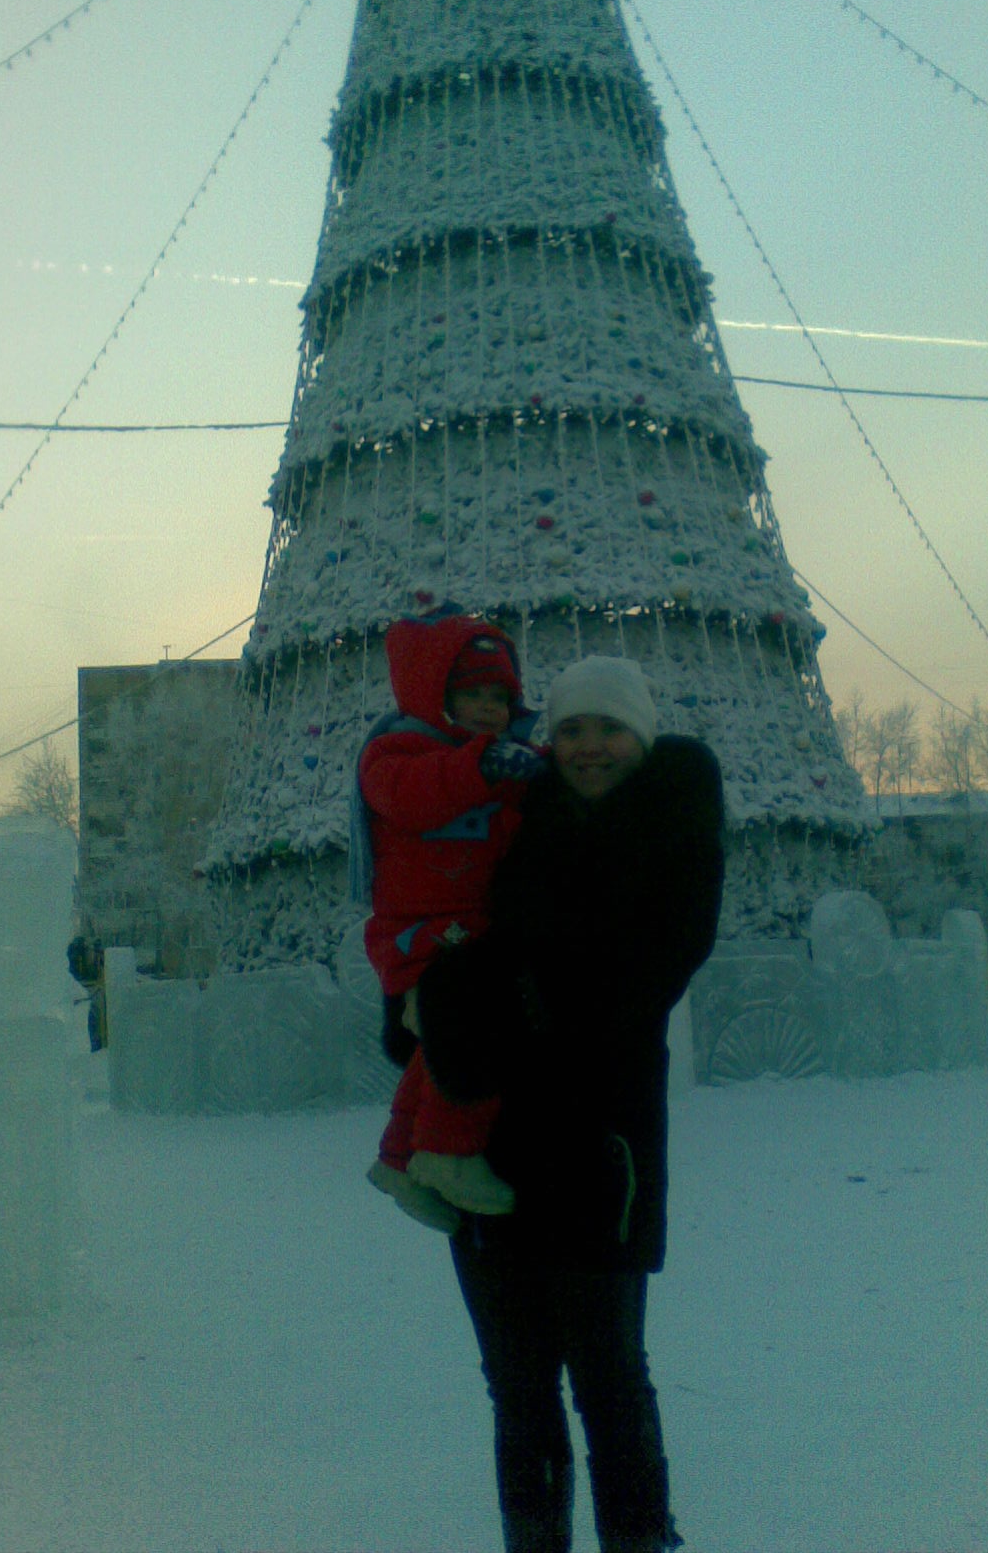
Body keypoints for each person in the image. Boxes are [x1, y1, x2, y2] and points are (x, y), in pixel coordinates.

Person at [415, 654, 725, 1553]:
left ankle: (639, 1540)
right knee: (516, 1387)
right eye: (572, 730)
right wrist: (433, 1006)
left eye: (610, 729)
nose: (590, 747)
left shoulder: (673, 830)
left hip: (602, 1154)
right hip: (492, 1153)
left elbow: (635, 983)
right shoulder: (518, 821)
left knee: (609, 1379)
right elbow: (444, 939)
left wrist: (487, 998)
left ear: (643, 736)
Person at [359, 608, 541, 1233]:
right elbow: (415, 794)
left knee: (433, 1052)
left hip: (463, 926)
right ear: (435, 694)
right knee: (479, 1019)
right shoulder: (397, 752)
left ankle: (399, 1158)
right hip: (424, 934)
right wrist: (483, 765)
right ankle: (447, 1150)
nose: (489, 708)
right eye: (473, 694)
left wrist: (540, 766)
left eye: (500, 697)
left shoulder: (494, 758)